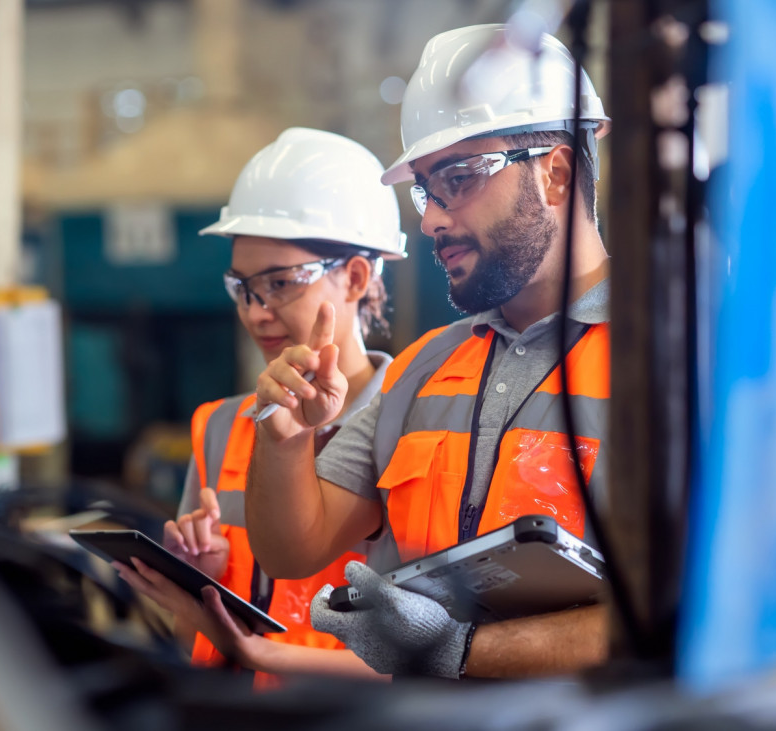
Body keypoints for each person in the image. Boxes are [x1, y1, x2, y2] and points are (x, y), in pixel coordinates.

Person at [245, 24, 615, 680]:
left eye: (460, 178)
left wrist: (454, 650)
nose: (432, 219)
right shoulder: (424, 368)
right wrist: (281, 438)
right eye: (425, 189)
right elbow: (293, 548)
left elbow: (687, 616)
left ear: (555, 173)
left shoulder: (664, 364)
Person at [112, 127, 406, 686]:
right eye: (243, 287)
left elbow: (438, 658)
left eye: (280, 283)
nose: (257, 312)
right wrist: (200, 584)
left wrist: (261, 654)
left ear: (356, 278)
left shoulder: (416, 428)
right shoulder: (224, 427)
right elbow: (193, 642)